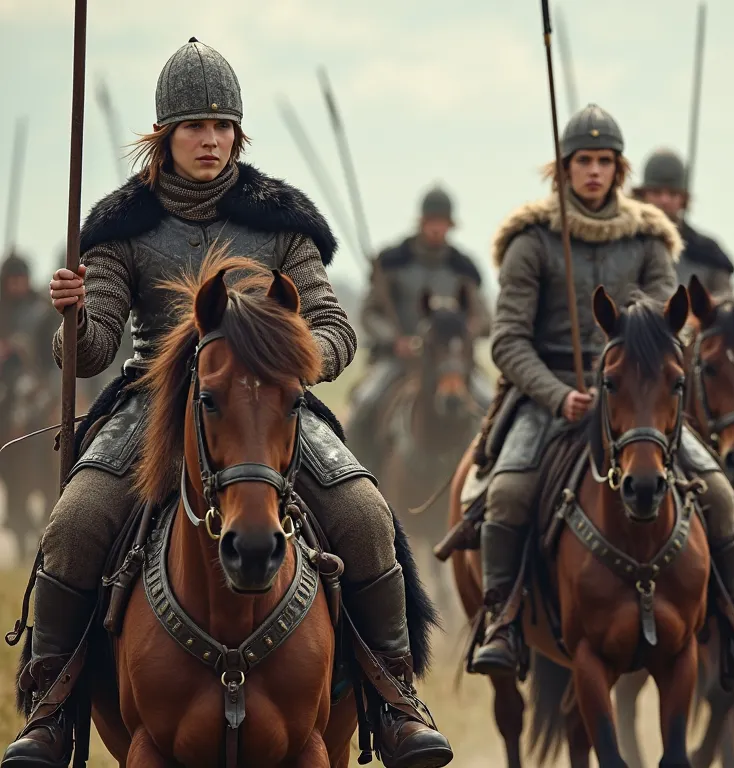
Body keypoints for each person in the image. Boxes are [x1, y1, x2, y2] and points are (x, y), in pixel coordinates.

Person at [1, 37, 452, 768]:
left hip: (271, 405)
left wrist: (295, 364)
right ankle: (51, 711)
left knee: (365, 513)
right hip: (156, 402)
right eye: (193, 127)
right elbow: (92, 351)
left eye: (221, 127)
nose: (209, 140)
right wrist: (74, 315)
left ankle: (395, 699)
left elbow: (334, 327)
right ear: (164, 136)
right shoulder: (122, 225)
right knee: (78, 521)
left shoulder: (280, 220)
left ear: (237, 134)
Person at [469, 103, 734, 691]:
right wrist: (559, 394)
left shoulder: (648, 237)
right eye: (583, 161)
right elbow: (508, 340)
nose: (594, 171)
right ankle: (503, 623)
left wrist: (638, 384)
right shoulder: (531, 240)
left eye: (604, 161)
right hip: (549, 394)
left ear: (619, 168)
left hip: (637, 400)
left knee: (718, 492)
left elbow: (673, 324)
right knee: (507, 492)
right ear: (563, 169)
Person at [346, 186, 492, 472]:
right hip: (397, 360)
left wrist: (462, 337)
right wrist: (394, 339)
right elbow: (369, 314)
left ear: (450, 225)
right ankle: (355, 476)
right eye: (431, 222)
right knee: (364, 403)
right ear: (422, 222)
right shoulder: (392, 263)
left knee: (490, 406)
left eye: (442, 223)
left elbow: (483, 318)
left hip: (451, 364)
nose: (436, 229)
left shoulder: (463, 269)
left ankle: (484, 477)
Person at [633, 147, 734, 295]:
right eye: (656, 192)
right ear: (643, 195)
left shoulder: (708, 253)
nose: (664, 200)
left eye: (672, 193)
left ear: (683, 199)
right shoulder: (626, 246)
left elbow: (725, 304)